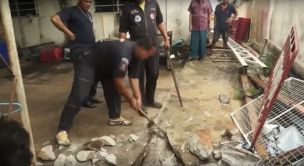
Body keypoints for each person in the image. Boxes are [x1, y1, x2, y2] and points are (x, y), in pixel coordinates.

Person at [56, 37, 156, 146]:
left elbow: (134, 77)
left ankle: (115, 117)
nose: (147, 57)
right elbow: (118, 80)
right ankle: (62, 130)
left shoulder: (137, 55)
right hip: (88, 61)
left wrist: (138, 98)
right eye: (148, 54)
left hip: (106, 65)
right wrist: (130, 99)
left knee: (114, 89)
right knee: (80, 95)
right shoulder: (125, 54)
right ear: (142, 49)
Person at [119, 0, 170, 114]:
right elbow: (122, 31)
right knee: (138, 76)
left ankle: (150, 99)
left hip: (152, 47)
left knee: (154, 73)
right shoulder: (127, 7)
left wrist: (166, 38)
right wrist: (121, 50)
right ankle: (140, 102)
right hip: (137, 49)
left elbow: (160, 22)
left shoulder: (154, 4)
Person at [50, 0, 102, 108]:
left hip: (91, 48)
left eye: (90, 2)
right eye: (86, 1)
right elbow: (54, 19)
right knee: (83, 77)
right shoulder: (71, 11)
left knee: (95, 75)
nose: (88, 4)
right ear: (79, 1)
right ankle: (83, 100)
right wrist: (68, 33)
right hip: (79, 49)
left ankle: (90, 96)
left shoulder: (88, 14)